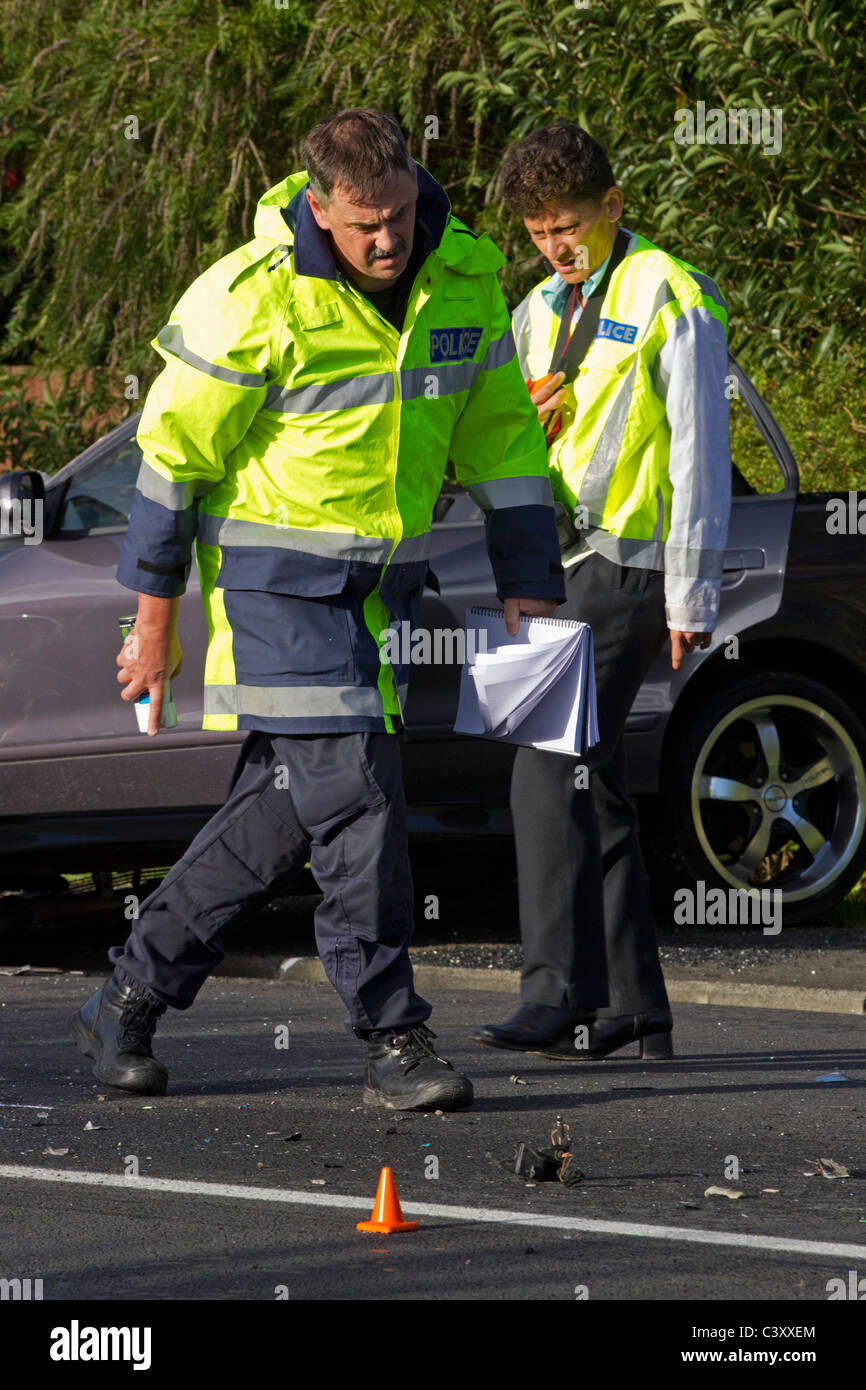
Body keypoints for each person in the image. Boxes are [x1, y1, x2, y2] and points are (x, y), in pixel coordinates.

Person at [71, 108, 564, 1111]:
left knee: (281, 811)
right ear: (316, 205)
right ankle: (392, 1031)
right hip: (276, 589)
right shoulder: (249, 299)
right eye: (361, 224)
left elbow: (502, 435)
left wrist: (527, 571)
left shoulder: (461, 275)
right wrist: (153, 618)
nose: (385, 240)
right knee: (359, 794)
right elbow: (171, 461)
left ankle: (128, 992)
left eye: (396, 213)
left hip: (379, 596)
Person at [472, 121, 732, 1061]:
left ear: (614, 206)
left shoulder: (673, 292)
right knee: (594, 777)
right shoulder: (536, 309)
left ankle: (558, 992)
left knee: (540, 762)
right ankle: (634, 1003)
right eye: (539, 231)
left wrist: (690, 598)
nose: (555, 246)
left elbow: (704, 453)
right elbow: (502, 453)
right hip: (552, 568)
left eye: (569, 225)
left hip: (629, 565)